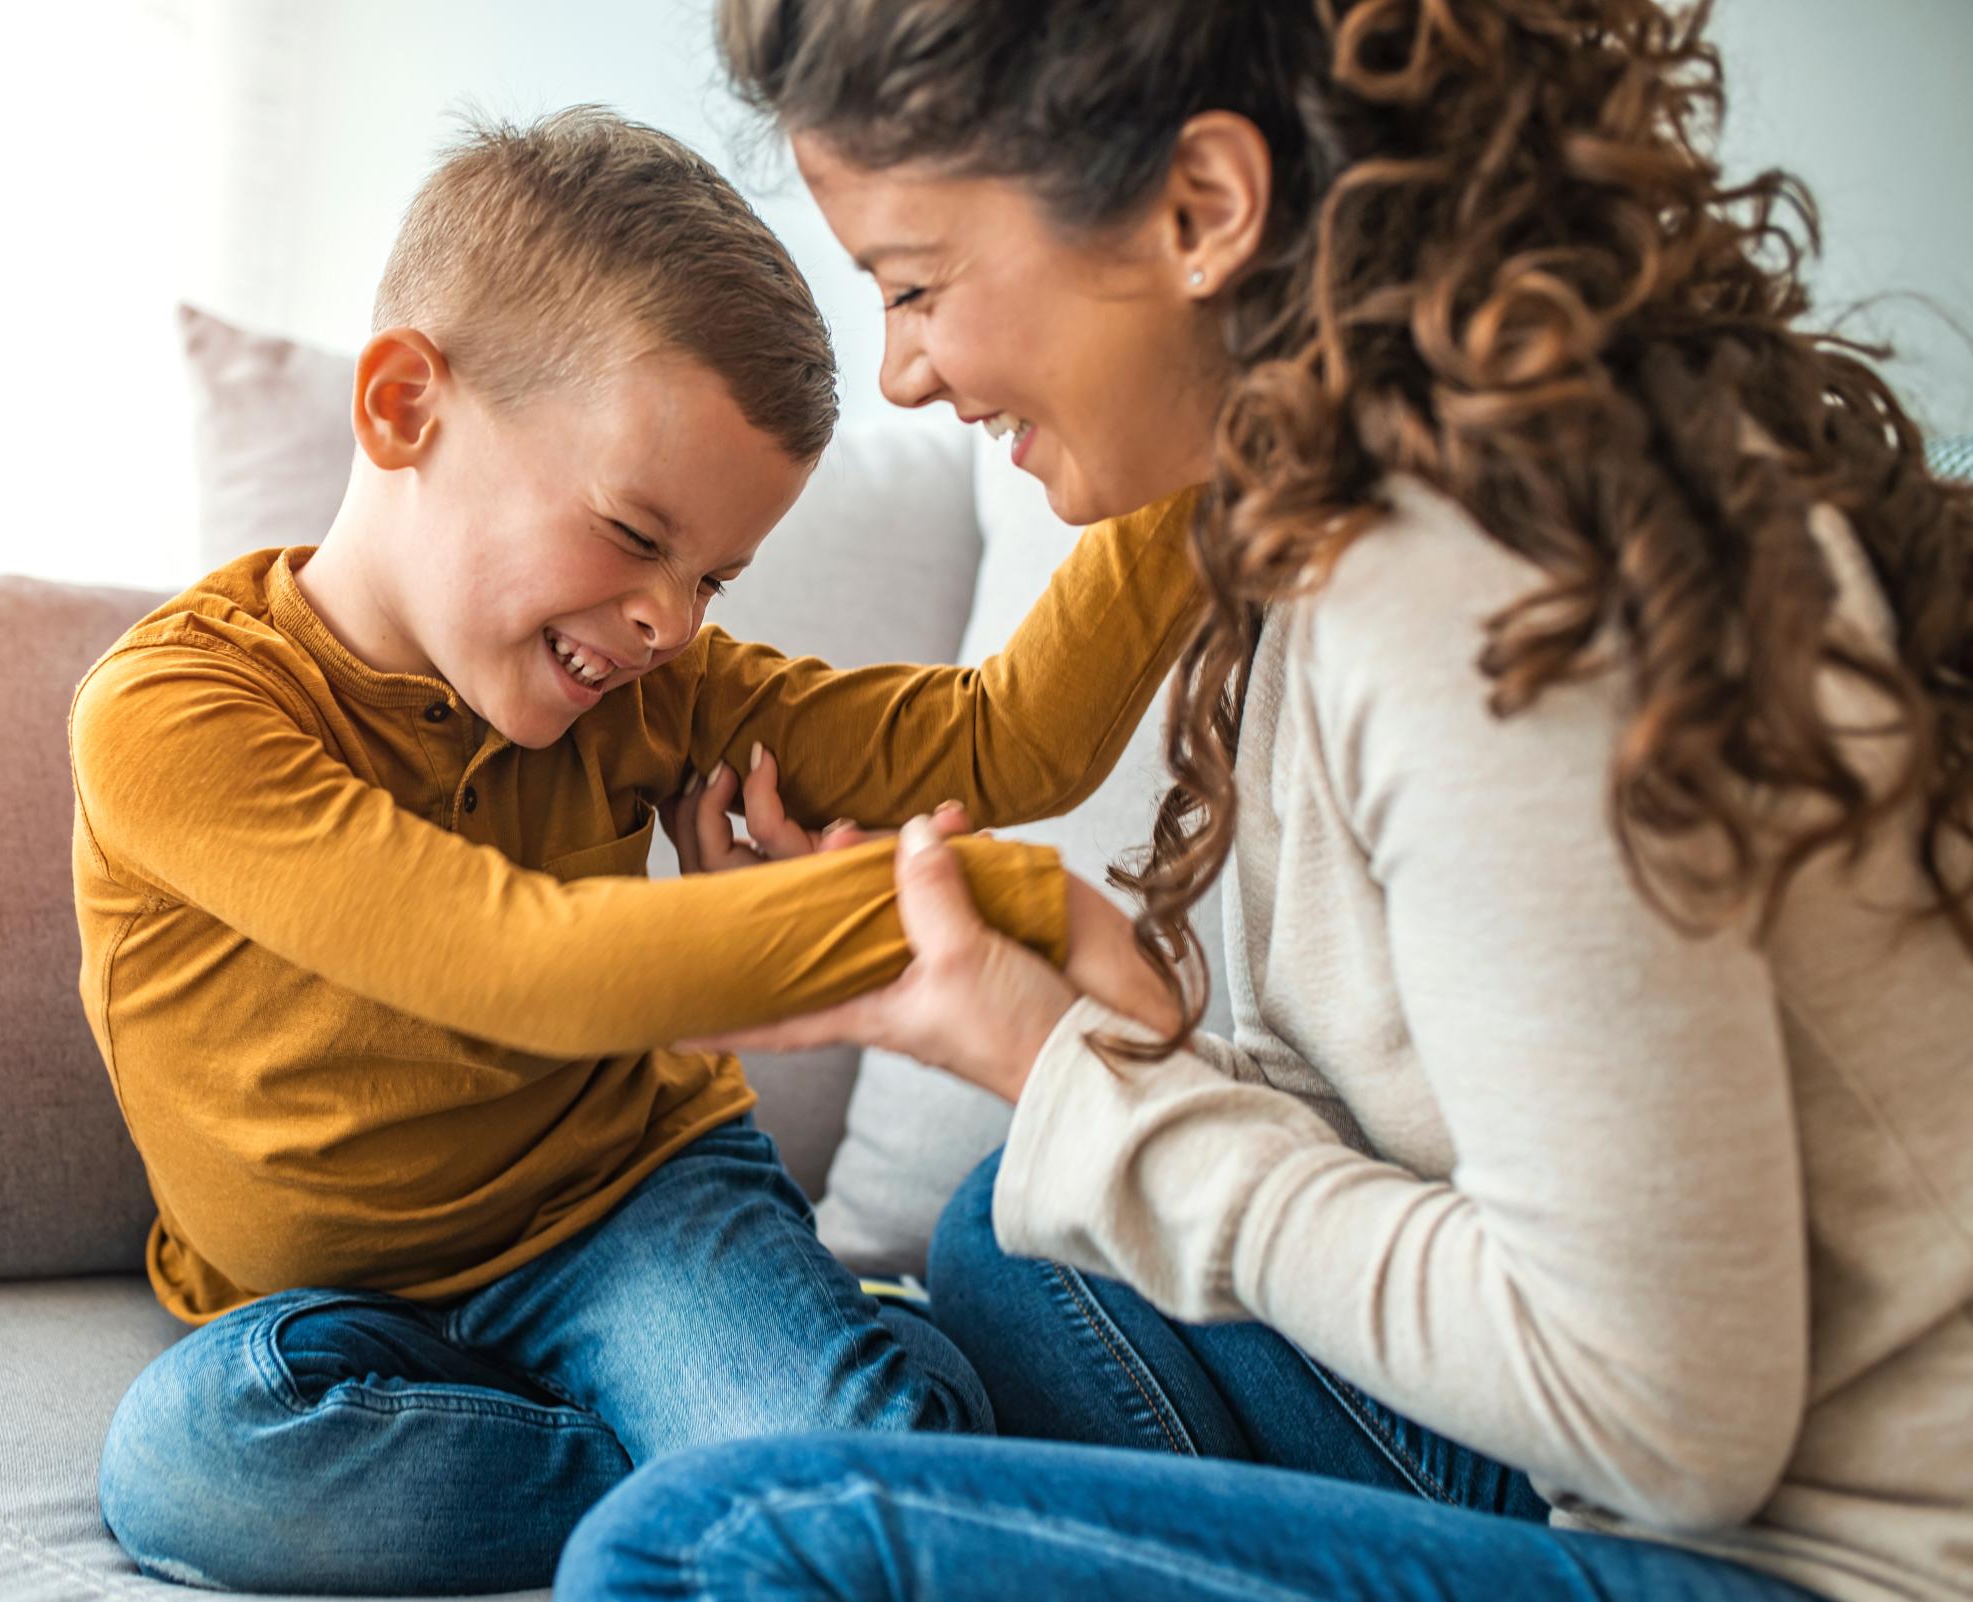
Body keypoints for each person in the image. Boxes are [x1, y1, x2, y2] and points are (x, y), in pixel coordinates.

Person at [555, 2, 1973, 1600]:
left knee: (712, 1551)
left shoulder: (1478, 581)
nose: (905, 368)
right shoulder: (1362, 498)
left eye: (916, 283)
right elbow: (1414, 1139)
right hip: (1662, 1475)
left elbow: (1661, 1414)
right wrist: (1022, 1006)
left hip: (1816, 1550)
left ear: (1204, 211)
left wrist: (1045, 1057)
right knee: (1011, 1250)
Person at [68, 106, 1199, 1595]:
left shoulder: (654, 693)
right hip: (316, 1306)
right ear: (405, 407)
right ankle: (810, 1441)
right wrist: (977, 906)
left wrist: (1206, 433)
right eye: (632, 531)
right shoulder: (178, 713)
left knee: (796, 1431)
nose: (674, 617)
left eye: (712, 573)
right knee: (199, 1465)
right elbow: (507, 959)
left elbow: (1009, 742)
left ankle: (791, 1431)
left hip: (628, 1208)